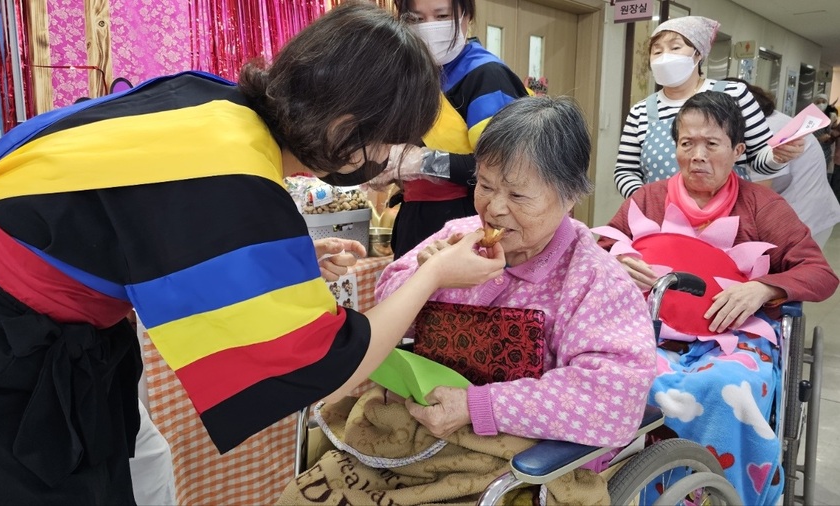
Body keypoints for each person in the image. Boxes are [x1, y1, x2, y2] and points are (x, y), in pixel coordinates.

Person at [0, 3, 508, 504]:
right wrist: (433, 273)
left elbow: (152, 232)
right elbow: (324, 368)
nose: (388, 160)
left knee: (143, 465)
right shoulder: (232, 175)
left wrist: (290, 260)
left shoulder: (212, 102)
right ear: (343, 128)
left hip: (51, 318)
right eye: (386, 143)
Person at [280, 96, 656, 505]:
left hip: (516, 464)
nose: (494, 209)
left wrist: (479, 405)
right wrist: (425, 278)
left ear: (569, 196)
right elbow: (389, 312)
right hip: (416, 433)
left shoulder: (594, 280)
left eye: (518, 195)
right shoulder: (457, 236)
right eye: (486, 186)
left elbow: (612, 399)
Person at [598, 91, 838, 505]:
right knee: (616, 377)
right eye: (686, 143)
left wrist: (765, 287)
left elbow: (820, 273)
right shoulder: (647, 199)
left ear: (738, 150)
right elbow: (598, 246)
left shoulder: (763, 205)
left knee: (728, 387)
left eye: (712, 144)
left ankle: (722, 493)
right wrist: (613, 260)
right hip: (650, 329)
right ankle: (626, 488)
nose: (697, 155)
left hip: (736, 336)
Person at [372, 0, 529, 259]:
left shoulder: (486, 76)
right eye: (416, 19)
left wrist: (424, 162)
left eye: (441, 15)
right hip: (415, 219)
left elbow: (509, 170)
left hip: (466, 226)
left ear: (467, 16)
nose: (428, 27)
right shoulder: (416, 78)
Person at [614, 16, 804, 199]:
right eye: (657, 51)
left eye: (675, 48)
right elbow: (625, 171)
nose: (665, 56)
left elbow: (759, 160)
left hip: (728, 215)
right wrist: (648, 201)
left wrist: (778, 156)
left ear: (698, 54)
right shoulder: (641, 111)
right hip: (662, 218)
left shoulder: (735, 94)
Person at [730, 80, 840, 248]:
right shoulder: (770, 120)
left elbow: (762, 188)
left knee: (797, 269)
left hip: (805, 214)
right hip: (805, 208)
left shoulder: (766, 129)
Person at [814, 93, 838, 171]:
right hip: (813, 150)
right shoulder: (810, 117)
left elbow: (834, 131)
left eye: (823, 102)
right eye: (818, 102)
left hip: (826, 151)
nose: (821, 104)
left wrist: (832, 134)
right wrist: (818, 139)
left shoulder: (832, 116)